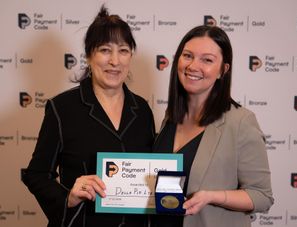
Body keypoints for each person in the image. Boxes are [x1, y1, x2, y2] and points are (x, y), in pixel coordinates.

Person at [22, 5, 155, 227]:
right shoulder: (62, 108)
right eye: (105, 50)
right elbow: (37, 174)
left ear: (130, 55)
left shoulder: (142, 109)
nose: (115, 61)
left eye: (123, 50)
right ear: (89, 56)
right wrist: (68, 197)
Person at [151, 25, 273, 227]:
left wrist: (212, 196)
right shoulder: (171, 117)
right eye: (188, 56)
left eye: (207, 60)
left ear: (222, 70)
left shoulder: (241, 121)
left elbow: (262, 197)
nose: (193, 66)